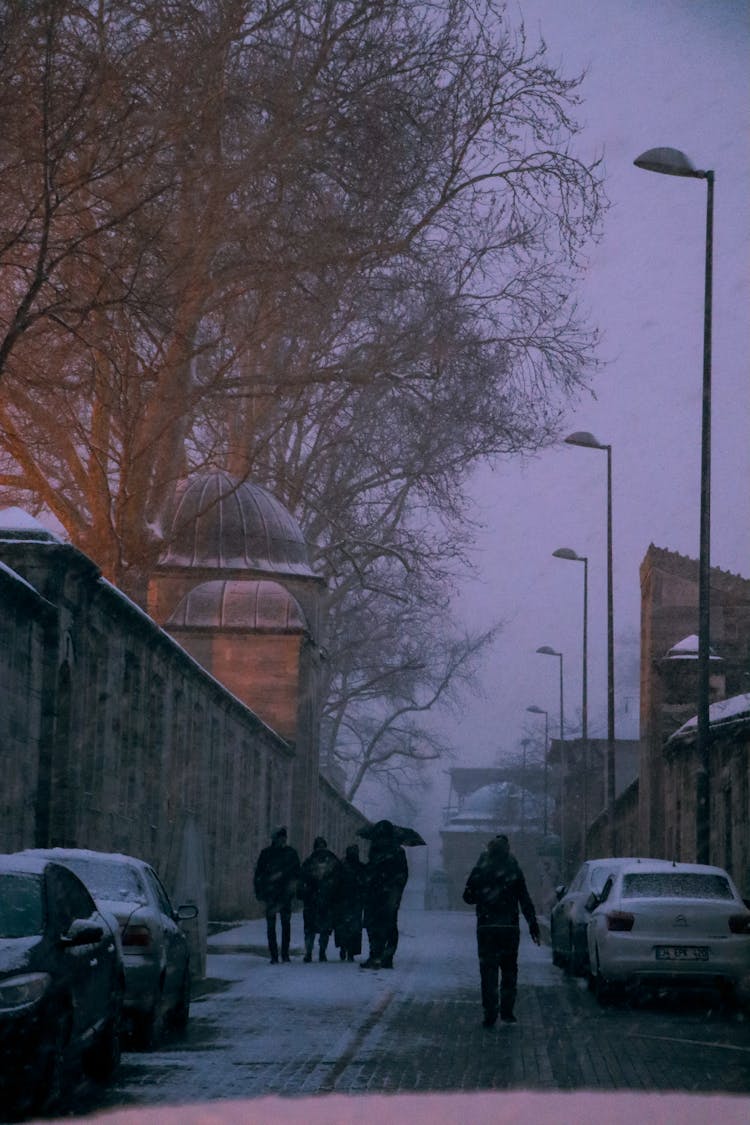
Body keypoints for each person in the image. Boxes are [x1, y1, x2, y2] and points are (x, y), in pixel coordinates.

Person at [463, 833, 540, 1027]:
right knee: (509, 970)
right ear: (507, 848)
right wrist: (532, 924)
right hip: (509, 928)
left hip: (486, 927)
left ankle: (490, 1013)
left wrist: (482, 895)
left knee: (487, 971)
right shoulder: (513, 866)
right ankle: (507, 1012)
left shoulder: (482, 865)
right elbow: (524, 898)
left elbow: (467, 896)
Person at [361, 820, 408, 969]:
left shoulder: (394, 851)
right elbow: (402, 874)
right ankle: (380, 956)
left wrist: (392, 887)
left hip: (384, 894)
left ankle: (381, 956)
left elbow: (401, 875)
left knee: (383, 925)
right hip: (380, 893)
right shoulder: (382, 850)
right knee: (380, 925)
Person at [253, 826, 301, 963]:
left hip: (282, 895)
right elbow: (259, 875)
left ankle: (284, 954)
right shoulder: (268, 854)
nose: (283, 840)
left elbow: (297, 873)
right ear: (275, 839)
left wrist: (294, 889)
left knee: (284, 925)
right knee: (272, 926)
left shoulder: (289, 853)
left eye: (284, 837)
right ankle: (275, 955)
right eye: (280, 837)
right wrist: (260, 890)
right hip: (273, 895)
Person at [299, 836, 343, 962]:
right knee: (310, 928)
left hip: (326, 900)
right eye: (319, 846)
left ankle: (321, 952)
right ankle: (309, 952)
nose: (321, 849)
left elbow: (339, 880)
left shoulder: (332, 862)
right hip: (313, 900)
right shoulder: (310, 862)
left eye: (322, 846)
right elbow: (302, 879)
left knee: (324, 928)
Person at [334, 843, 367, 961]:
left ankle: (348, 949)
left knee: (349, 928)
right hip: (349, 901)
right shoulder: (347, 867)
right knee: (349, 928)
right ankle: (347, 949)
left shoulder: (343, 866)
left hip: (350, 901)